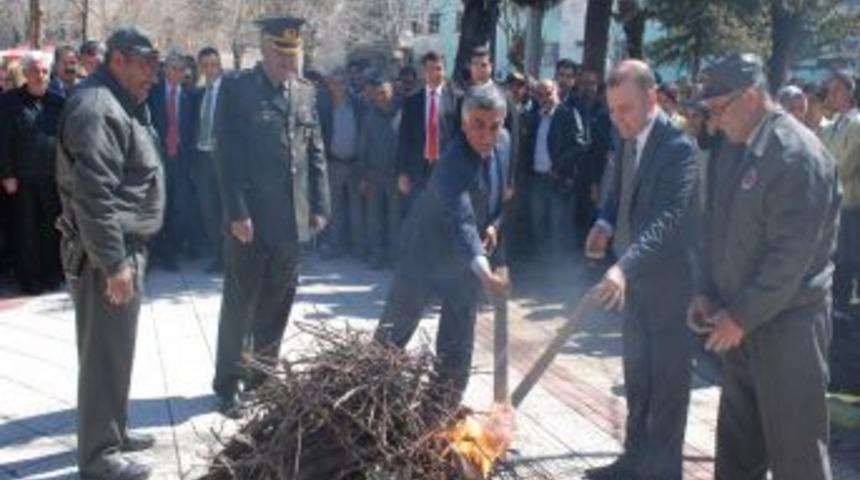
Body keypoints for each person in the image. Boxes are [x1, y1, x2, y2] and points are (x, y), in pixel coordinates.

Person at [688, 53, 839, 480]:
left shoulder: (797, 156)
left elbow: (789, 260)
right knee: (737, 455)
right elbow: (712, 227)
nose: (714, 122)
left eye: (718, 109)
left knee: (798, 458)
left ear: (751, 97)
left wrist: (739, 314)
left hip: (790, 327)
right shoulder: (731, 150)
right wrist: (706, 292)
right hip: (739, 326)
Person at [55, 27, 164, 480]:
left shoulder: (121, 100)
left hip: (121, 246)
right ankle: (99, 458)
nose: (153, 77)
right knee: (103, 354)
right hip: (105, 254)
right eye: (145, 65)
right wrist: (114, 263)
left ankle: (112, 433)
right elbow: (93, 195)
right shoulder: (98, 106)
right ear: (116, 59)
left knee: (116, 350)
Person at [583, 59, 698, 480]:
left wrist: (622, 267)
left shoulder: (678, 148)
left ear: (651, 98)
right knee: (638, 377)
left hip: (671, 289)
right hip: (635, 285)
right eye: (612, 109)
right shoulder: (627, 138)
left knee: (667, 386)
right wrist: (603, 223)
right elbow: (620, 192)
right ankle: (634, 461)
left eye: (625, 108)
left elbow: (667, 221)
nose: (617, 118)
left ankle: (664, 471)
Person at [212, 16, 330, 415]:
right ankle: (228, 382)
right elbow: (225, 157)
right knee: (240, 303)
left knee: (279, 301)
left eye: (292, 52)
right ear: (263, 48)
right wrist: (236, 212)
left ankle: (262, 377)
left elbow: (315, 152)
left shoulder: (306, 92)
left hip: (291, 220)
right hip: (251, 220)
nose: (287, 60)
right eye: (280, 51)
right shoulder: (236, 90)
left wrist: (320, 205)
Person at [374, 85, 511, 406]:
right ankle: (368, 395)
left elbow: (497, 198)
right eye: (478, 124)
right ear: (464, 123)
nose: (487, 134)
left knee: (459, 339)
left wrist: (492, 225)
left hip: (464, 262)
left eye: (494, 125)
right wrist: (483, 267)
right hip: (425, 252)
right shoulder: (452, 161)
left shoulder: (503, 144)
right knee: (395, 330)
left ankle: (440, 410)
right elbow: (461, 218)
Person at [0, 51, 65, 294]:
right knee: (25, 231)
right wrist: (6, 174)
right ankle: (29, 281)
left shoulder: (59, 102)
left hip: (51, 178)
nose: (40, 76)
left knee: (50, 228)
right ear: (25, 73)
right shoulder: (8, 102)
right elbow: (2, 140)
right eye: (35, 71)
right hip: (21, 179)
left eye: (44, 71)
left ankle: (50, 275)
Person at [520, 79, 589, 259]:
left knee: (558, 227)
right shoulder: (534, 117)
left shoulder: (568, 114)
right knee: (538, 226)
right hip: (537, 180)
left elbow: (581, 145)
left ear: (557, 92)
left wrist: (559, 166)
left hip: (558, 181)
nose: (544, 98)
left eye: (548, 93)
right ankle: (543, 268)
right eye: (540, 95)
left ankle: (558, 271)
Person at [148, 51, 195, 270]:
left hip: (182, 162)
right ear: (165, 69)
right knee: (158, 206)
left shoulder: (191, 96)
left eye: (181, 69)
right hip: (158, 159)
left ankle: (171, 254)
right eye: (172, 68)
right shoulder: (152, 93)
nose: (177, 73)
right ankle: (155, 250)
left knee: (180, 208)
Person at [396, 51, 460, 206]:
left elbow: (460, 138)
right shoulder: (412, 101)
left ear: (445, 71)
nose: (434, 73)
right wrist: (403, 173)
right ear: (424, 72)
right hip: (418, 172)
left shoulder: (456, 100)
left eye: (438, 69)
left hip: (446, 170)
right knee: (419, 219)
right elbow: (404, 139)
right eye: (430, 69)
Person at [820, 71, 860, 315]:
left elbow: (845, 166)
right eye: (829, 90)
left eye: (836, 90)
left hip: (851, 205)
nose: (831, 95)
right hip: (834, 203)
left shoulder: (857, 124)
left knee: (849, 260)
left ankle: (846, 313)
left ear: (849, 91)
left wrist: (822, 175)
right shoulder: (832, 126)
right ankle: (840, 310)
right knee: (839, 260)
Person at [318, 67, 366, 259]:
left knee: (357, 210)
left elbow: (364, 132)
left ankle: (359, 248)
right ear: (329, 85)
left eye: (342, 83)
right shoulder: (323, 106)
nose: (339, 87)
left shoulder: (357, 104)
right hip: (333, 163)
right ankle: (335, 246)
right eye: (335, 83)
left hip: (355, 163)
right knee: (334, 209)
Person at [358, 77, 401, 270]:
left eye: (385, 92)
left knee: (395, 219)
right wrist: (363, 176)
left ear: (392, 92)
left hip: (395, 176)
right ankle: (376, 256)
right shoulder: (369, 116)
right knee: (374, 219)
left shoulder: (402, 114)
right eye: (378, 93)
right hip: (374, 175)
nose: (381, 96)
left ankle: (394, 257)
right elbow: (363, 147)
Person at [190, 46, 225, 273]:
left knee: (226, 209)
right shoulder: (199, 94)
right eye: (205, 65)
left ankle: (230, 256)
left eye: (213, 65)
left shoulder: (230, 92)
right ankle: (217, 255)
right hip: (202, 158)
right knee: (208, 209)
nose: (210, 69)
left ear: (219, 65)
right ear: (200, 68)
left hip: (223, 160)